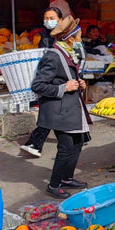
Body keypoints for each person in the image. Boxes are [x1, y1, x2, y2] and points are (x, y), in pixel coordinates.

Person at [31, 16, 91, 199]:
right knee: (66, 147)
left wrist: (79, 83)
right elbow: (38, 85)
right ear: (70, 38)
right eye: (79, 36)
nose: (81, 40)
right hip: (59, 111)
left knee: (78, 143)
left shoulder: (67, 54)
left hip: (70, 108)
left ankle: (67, 178)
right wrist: (63, 87)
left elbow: (65, 77)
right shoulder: (53, 56)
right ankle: (54, 185)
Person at [20, 7, 64, 157]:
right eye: (46, 18)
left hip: (63, 76)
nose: (48, 21)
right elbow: (42, 57)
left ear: (60, 20)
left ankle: (35, 143)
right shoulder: (43, 36)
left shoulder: (67, 35)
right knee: (51, 111)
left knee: (52, 112)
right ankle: (35, 143)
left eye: (52, 18)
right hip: (49, 78)